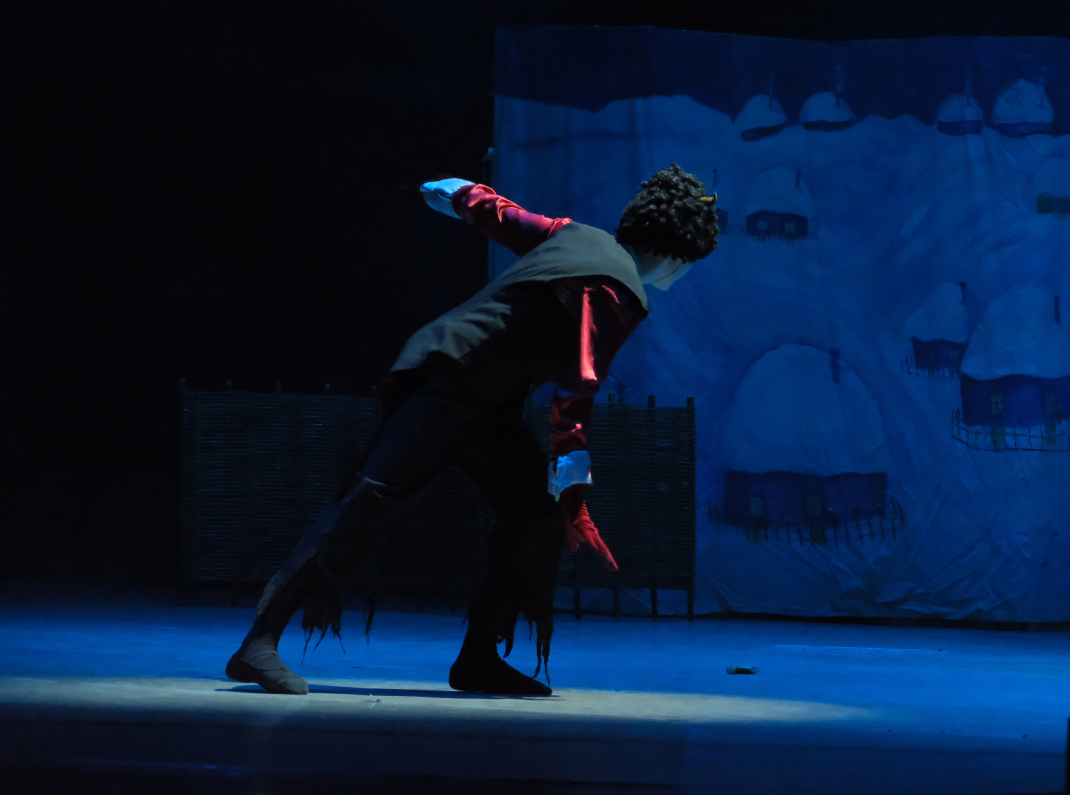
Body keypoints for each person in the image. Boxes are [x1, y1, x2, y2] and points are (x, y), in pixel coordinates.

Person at [225, 164, 719, 696]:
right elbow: (577, 392)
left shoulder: (575, 235)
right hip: (450, 380)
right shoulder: (619, 289)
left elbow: (503, 214)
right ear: (676, 257)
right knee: (365, 501)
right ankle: (258, 643)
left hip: (484, 399)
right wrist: (575, 497)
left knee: (534, 515)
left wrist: (458, 192)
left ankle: (479, 657)